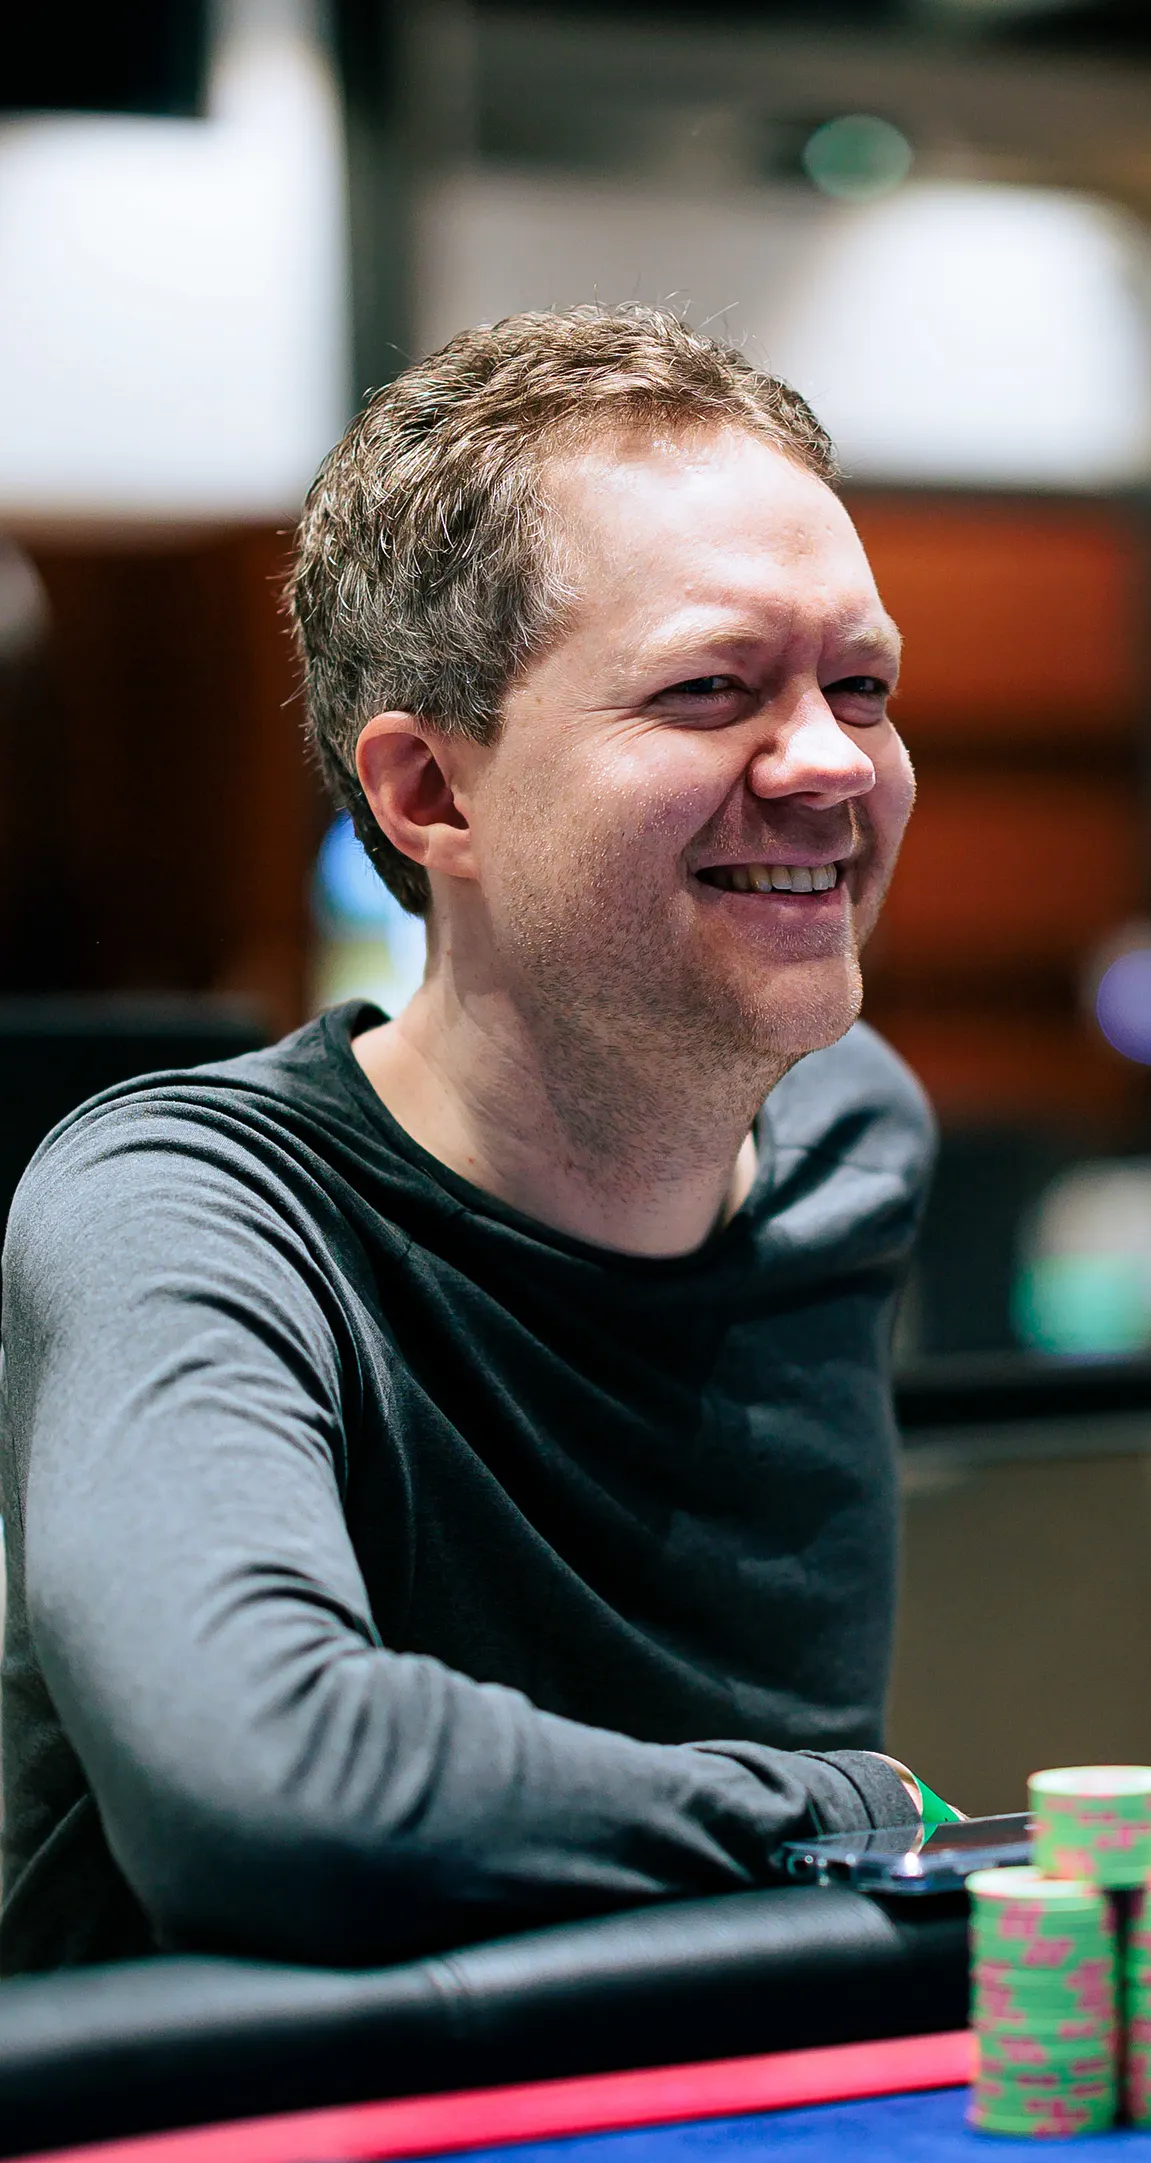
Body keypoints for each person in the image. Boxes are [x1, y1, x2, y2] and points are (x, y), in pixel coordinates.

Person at [0, 307, 956, 1977]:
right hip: (255, 2131)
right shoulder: (190, 1214)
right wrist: (840, 1812)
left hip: (729, 2110)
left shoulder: (851, 1138)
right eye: (712, 689)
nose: (830, 763)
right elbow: (274, 1790)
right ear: (431, 793)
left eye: (860, 686)